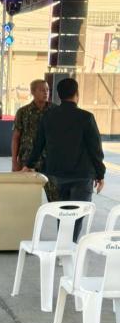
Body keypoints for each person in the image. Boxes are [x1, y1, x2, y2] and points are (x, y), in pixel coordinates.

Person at [24, 77, 105, 241]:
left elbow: (38, 144)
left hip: (57, 174)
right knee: (77, 213)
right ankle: (69, 245)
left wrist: (29, 164)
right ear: (77, 94)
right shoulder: (86, 117)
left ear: (59, 96)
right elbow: (95, 149)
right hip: (82, 174)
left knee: (63, 211)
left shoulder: (48, 116)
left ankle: (63, 243)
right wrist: (100, 173)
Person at [12, 79, 58, 201]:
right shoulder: (23, 112)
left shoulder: (55, 111)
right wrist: (14, 162)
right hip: (27, 161)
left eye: (47, 90)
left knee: (55, 197)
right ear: (33, 92)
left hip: (50, 161)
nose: (46, 92)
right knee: (27, 198)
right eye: (42, 90)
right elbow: (16, 137)